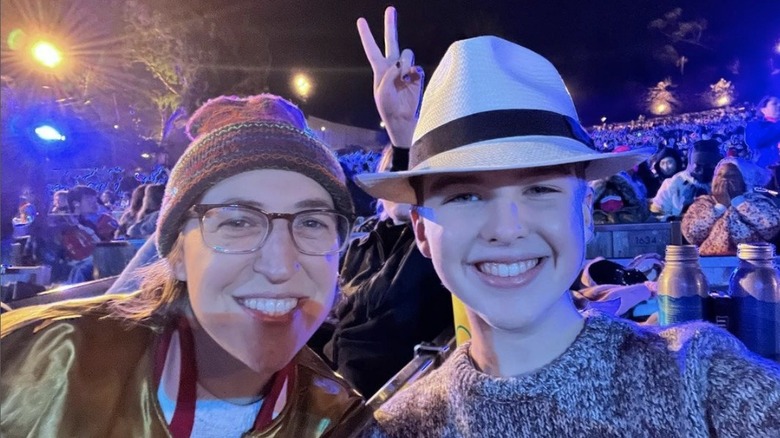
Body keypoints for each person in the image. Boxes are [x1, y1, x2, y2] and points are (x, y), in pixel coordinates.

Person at [354, 8, 780, 436]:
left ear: (584, 211)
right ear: (422, 231)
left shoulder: (701, 377)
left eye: (539, 189)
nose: (506, 227)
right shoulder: (401, 426)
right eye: (466, 195)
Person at [1, 94, 365, 437]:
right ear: (176, 254)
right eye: (238, 222)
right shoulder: (41, 361)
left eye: (312, 223)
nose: (280, 266)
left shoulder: (338, 420)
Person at [682, 157, 780, 255]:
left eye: (731, 175)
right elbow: (692, 235)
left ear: (744, 180)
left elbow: (770, 228)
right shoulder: (704, 203)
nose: (724, 179)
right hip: (711, 263)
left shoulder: (757, 201)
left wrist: (738, 201)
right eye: (719, 175)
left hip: (752, 261)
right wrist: (720, 207)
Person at [650, 139, 722, 220]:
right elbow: (656, 215)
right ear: (691, 164)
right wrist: (680, 214)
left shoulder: (723, 182)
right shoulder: (673, 183)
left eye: (709, 166)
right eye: (698, 166)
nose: (702, 170)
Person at [745, 95, 780, 190]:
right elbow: (757, 141)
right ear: (763, 109)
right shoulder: (754, 126)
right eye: (774, 104)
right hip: (767, 176)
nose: (779, 105)